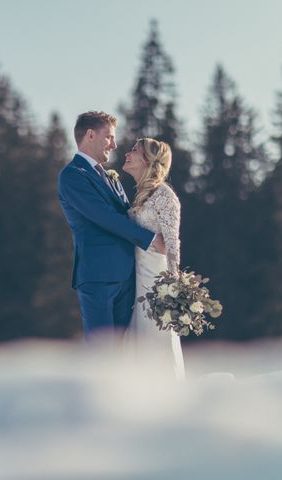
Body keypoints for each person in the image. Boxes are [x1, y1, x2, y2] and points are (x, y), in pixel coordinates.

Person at [57, 111, 165, 346]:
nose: (114, 145)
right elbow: (104, 217)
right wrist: (150, 238)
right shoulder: (72, 176)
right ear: (90, 135)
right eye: (109, 137)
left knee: (119, 352)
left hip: (126, 275)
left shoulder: (111, 177)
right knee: (102, 351)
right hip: (97, 276)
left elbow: (126, 214)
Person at [122, 137, 186, 380]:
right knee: (137, 345)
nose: (127, 154)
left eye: (134, 150)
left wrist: (173, 288)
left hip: (157, 286)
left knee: (157, 343)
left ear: (147, 160)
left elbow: (172, 244)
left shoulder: (164, 195)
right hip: (136, 282)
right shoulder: (140, 195)